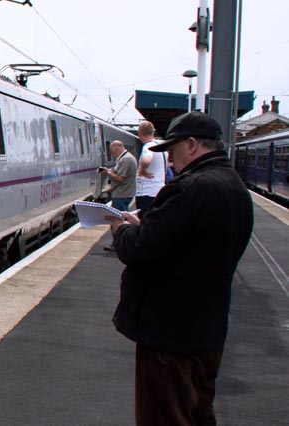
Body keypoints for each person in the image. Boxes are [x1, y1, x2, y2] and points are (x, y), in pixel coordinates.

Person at [105, 111, 254, 426]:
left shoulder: (189, 188)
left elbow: (138, 249)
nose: (169, 159)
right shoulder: (235, 188)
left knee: (164, 417)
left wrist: (121, 228)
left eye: (172, 150)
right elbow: (192, 243)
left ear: (192, 144)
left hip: (169, 339)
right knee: (199, 414)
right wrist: (150, 225)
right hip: (207, 333)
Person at [99, 140, 137, 251]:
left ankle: (119, 244)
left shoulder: (126, 159)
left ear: (117, 149)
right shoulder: (126, 158)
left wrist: (108, 173)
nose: (112, 154)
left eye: (112, 151)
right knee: (120, 218)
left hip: (122, 194)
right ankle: (120, 243)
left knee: (118, 220)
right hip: (123, 193)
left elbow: (120, 178)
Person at [135, 121, 168, 218]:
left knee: (145, 220)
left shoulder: (148, 146)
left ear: (140, 134)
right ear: (152, 133)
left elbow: (147, 160)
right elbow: (169, 164)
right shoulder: (162, 147)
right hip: (159, 190)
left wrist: (142, 171)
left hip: (147, 192)